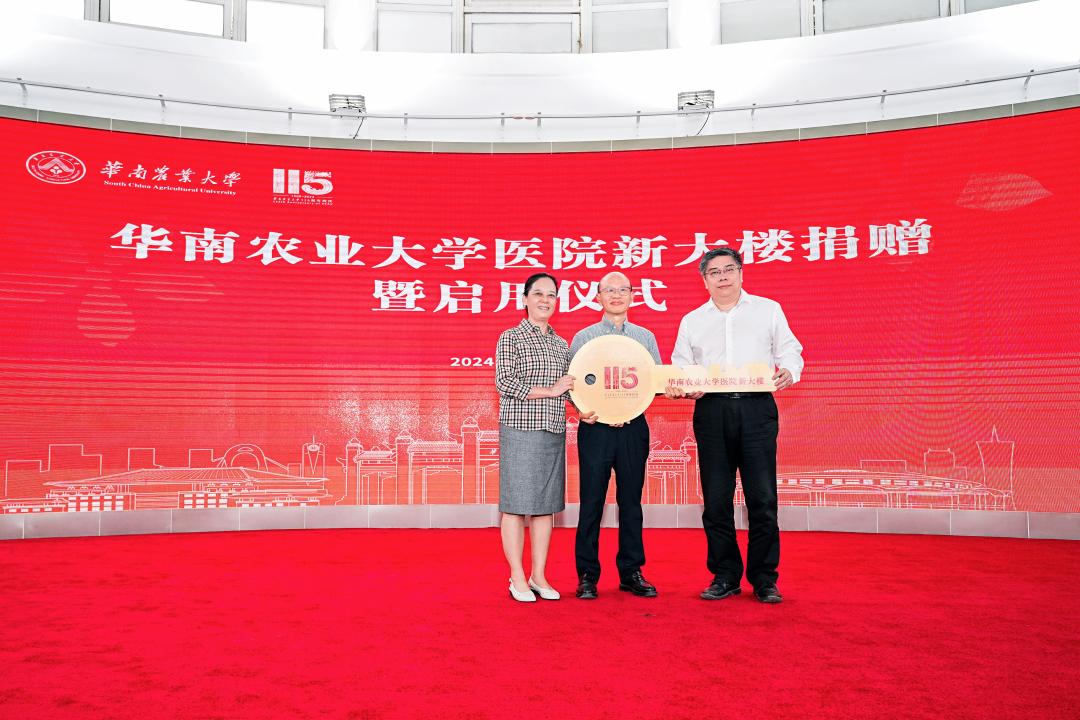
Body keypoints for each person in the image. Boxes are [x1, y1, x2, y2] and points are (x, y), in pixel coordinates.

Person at [665, 248, 803, 604]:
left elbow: (790, 350)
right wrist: (686, 384)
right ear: (704, 280)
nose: (723, 276)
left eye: (729, 269)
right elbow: (681, 365)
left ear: (741, 273)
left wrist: (790, 370)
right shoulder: (692, 320)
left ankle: (764, 578)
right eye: (714, 272)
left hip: (757, 409)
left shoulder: (767, 310)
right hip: (712, 410)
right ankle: (725, 575)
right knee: (716, 499)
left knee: (762, 498)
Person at [568, 271, 662, 600]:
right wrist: (588, 410)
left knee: (631, 502)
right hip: (596, 429)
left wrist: (627, 408)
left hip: (633, 429)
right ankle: (587, 575)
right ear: (598, 297)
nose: (617, 295)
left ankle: (631, 572)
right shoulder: (584, 338)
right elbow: (572, 384)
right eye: (609, 290)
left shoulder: (645, 337)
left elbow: (654, 384)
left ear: (633, 295)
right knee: (591, 502)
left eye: (623, 289)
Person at [495, 272, 575, 603]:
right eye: (538, 293)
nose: (545, 300)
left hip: (553, 430)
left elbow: (569, 390)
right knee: (515, 507)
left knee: (545, 508)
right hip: (520, 429)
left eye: (551, 295)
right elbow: (505, 382)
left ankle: (538, 575)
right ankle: (516, 576)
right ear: (525, 299)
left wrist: (587, 410)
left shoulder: (561, 344)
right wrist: (550, 390)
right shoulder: (511, 337)